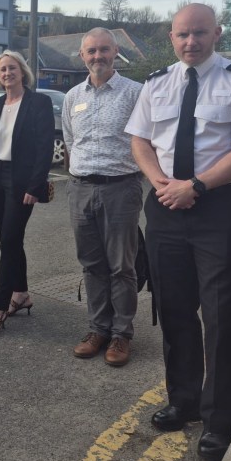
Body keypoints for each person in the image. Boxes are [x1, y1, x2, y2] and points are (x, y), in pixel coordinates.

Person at [125, 3, 231, 461]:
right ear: (171, 37)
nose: (191, 41)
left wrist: (196, 186)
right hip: (165, 207)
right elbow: (140, 140)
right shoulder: (156, 83)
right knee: (174, 311)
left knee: (221, 317)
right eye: (182, 34)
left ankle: (219, 419)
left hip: (217, 209)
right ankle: (184, 401)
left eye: (200, 33)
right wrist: (160, 183)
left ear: (217, 33)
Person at [61, 29, 143, 365]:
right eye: (91, 51)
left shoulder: (135, 93)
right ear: (82, 55)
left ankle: (121, 334)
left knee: (122, 266)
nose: (98, 56)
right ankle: (98, 329)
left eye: (104, 50)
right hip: (80, 188)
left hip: (121, 188)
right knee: (92, 265)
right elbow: (70, 141)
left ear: (115, 52)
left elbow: (147, 141)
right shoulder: (72, 97)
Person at [0, 51, 54, 337]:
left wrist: (35, 185)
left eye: (12, 68)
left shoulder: (38, 102)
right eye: (2, 69)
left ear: (22, 71)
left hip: (22, 182)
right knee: (9, 240)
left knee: (9, 241)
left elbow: (45, 147)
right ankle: (20, 294)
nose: (7, 73)